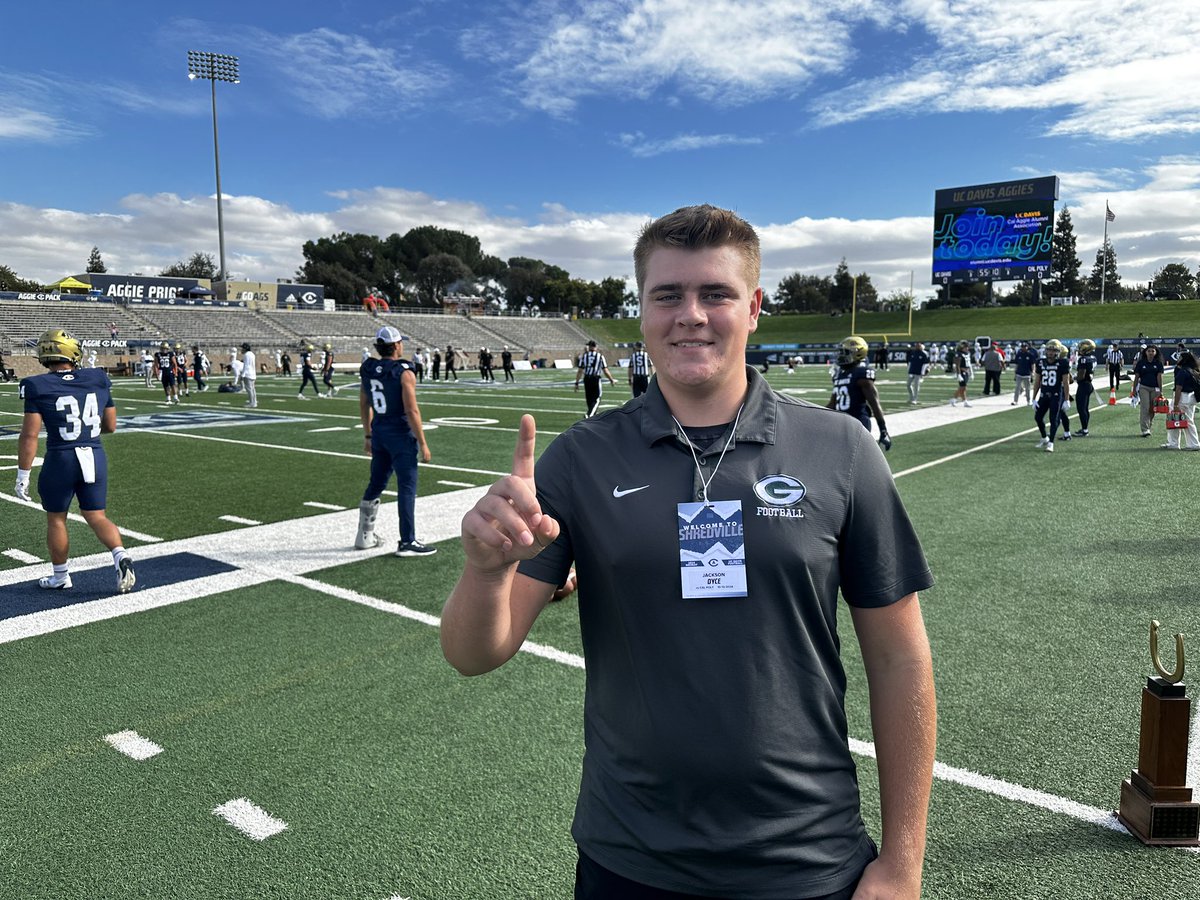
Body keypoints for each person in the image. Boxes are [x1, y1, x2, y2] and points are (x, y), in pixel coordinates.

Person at [441, 204, 936, 900]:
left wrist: (904, 862)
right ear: (641, 310)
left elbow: (900, 657)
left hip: (806, 857)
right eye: (667, 295)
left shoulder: (840, 449)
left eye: (716, 294)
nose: (690, 315)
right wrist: (485, 570)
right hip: (631, 860)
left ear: (755, 307)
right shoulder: (583, 457)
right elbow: (474, 654)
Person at [16, 329, 136, 593]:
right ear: (73, 352)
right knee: (96, 515)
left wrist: (23, 474)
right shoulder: (97, 377)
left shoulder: (36, 385)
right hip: (94, 454)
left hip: (62, 457)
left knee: (56, 519)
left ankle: (60, 576)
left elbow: (29, 435)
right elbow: (111, 426)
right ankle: (120, 555)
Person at [354, 326, 436, 557]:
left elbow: (363, 403)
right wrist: (423, 442)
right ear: (397, 345)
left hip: (379, 432)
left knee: (376, 483)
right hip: (400, 435)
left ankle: (364, 536)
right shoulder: (404, 372)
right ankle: (407, 541)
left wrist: (368, 434)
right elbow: (412, 410)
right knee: (407, 488)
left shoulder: (368, 369)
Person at [828, 335, 892, 450]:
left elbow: (874, 404)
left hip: (858, 424)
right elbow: (832, 405)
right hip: (841, 424)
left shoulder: (862, 374)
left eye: (845, 352)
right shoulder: (839, 375)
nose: (841, 355)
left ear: (857, 353)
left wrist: (883, 430)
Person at [1032, 339, 1072, 452]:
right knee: (1038, 417)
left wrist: (1066, 399)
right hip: (1044, 395)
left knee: (1053, 419)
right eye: (1049, 350)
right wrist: (1034, 399)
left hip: (1056, 395)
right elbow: (1037, 382)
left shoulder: (1063, 363)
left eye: (1053, 350)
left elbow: (1065, 382)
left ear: (1058, 352)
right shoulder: (1040, 362)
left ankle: (1051, 443)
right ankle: (1045, 437)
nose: (1050, 352)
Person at [1164, 350, 1200, 450]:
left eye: (1180, 357)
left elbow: (1178, 388)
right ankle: (1193, 443)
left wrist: (1175, 405)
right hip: (1191, 398)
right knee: (1189, 421)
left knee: (1176, 419)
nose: (1178, 359)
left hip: (1182, 398)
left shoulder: (1183, 371)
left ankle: (1174, 443)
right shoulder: (1193, 371)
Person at [1131, 344, 1165, 437]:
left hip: (1155, 388)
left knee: (1152, 409)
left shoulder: (1158, 363)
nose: (1150, 353)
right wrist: (1134, 389)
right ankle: (1145, 429)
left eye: (1152, 351)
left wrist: (1160, 390)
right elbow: (1137, 377)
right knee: (1145, 407)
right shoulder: (1141, 363)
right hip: (1144, 387)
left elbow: (1159, 377)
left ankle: (1149, 425)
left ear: (1155, 352)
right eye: (1149, 351)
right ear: (1145, 352)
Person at [575, 339, 615, 417]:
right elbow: (605, 370)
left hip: (587, 379)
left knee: (589, 398)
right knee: (597, 398)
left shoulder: (584, 356)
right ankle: (590, 414)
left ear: (589, 347)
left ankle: (592, 415)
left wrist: (576, 382)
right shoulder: (599, 356)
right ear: (596, 347)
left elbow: (580, 371)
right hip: (595, 379)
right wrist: (611, 379)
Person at [1072, 339, 1096, 436]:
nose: (1080, 348)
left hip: (1083, 385)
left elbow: (1081, 375)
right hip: (1089, 384)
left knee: (1081, 408)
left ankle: (1085, 430)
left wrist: (1074, 377)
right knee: (1085, 408)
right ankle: (1085, 428)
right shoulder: (1093, 357)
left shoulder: (1083, 359)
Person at [152, 341, 180, 405]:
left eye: (165, 348)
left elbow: (175, 363)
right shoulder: (157, 354)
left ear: (167, 349)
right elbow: (156, 365)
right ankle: (168, 399)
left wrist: (175, 372)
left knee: (173, 385)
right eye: (163, 348)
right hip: (162, 372)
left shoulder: (170, 354)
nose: (164, 350)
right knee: (166, 386)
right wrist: (156, 374)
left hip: (170, 371)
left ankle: (176, 398)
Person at [949, 340, 973, 407]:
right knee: (963, 387)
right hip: (962, 371)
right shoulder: (959, 354)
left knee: (962, 388)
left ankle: (954, 399)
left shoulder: (967, 353)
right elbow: (957, 365)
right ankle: (965, 402)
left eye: (967, 347)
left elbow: (969, 364)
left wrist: (971, 372)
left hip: (967, 371)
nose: (967, 348)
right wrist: (959, 374)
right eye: (965, 347)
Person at [239, 342, 258, 408]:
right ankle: (254, 401)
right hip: (253, 373)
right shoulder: (252, 354)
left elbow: (246, 365)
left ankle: (252, 403)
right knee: (252, 389)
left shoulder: (246, 355)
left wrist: (243, 375)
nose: (241, 349)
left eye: (242, 348)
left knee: (249, 389)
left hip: (248, 374)